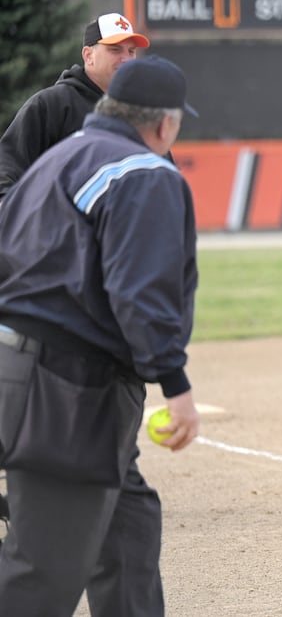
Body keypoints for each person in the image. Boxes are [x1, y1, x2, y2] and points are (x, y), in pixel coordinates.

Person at [0, 55, 200, 615]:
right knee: (41, 574)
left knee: (128, 528)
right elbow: (140, 291)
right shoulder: (147, 173)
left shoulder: (57, 158)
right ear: (164, 123)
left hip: (18, 372)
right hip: (68, 391)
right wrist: (176, 384)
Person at [0, 12, 150, 200]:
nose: (126, 59)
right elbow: (7, 167)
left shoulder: (140, 113)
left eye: (131, 51)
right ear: (88, 56)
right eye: (115, 49)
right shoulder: (52, 105)